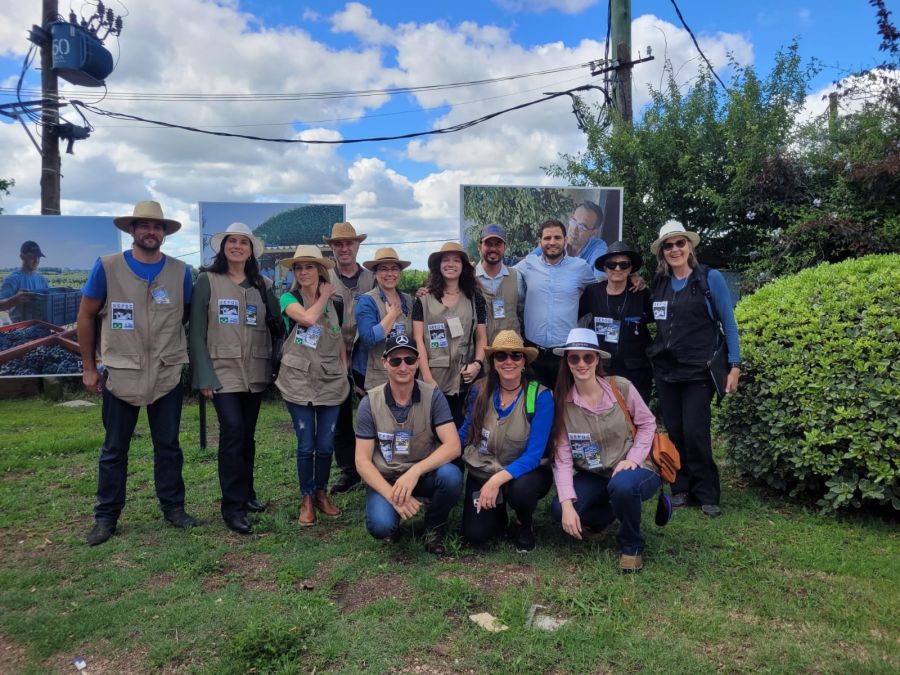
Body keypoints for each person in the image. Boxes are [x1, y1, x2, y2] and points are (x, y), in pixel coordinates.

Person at [76, 201, 198, 546]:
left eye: (157, 227)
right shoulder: (107, 267)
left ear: (165, 233)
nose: (151, 232)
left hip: (165, 372)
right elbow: (85, 317)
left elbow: (184, 315)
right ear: (132, 230)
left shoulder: (179, 272)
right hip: (121, 370)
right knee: (114, 449)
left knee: (169, 446)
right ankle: (106, 517)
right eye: (144, 226)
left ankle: (174, 508)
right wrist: (88, 367)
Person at [190, 222, 281, 535]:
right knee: (232, 433)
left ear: (251, 249)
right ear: (223, 246)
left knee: (247, 437)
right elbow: (197, 333)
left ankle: (248, 494)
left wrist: (274, 364)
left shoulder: (262, 285)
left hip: (254, 372)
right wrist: (203, 375)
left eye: (244, 242)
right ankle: (232, 507)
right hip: (222, 371)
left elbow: (275, 325)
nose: (238, 246)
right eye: (232, 241)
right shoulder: (208, 281)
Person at [647, 221, 741, 518]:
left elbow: (728, 322)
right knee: (675, 430)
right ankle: (682, 488)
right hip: (666, 371)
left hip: (699, 370)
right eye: (668, 245)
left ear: (689, 246)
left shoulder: (709, 279)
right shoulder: (659, 282)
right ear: (662, 252)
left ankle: (707, 492)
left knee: (695, 431)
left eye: (679, 243)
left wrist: (735, 366)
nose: (675, 249)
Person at [550, 328, 661, 573]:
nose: (581, 364)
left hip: (637, 468)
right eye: (574, 358)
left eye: (587, 357)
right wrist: (567, 503)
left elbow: (647, 423)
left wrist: (633, 459)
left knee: (622, 486)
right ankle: (608, 515)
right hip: (596, 473)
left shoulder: (620, 388)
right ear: (567, 362)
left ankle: (632, 546)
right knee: (559, 509)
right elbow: (563, 457)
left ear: (597, 359)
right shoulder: (564, 403)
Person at [354, 334, 463, 554]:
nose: (403, 366)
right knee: (380, 526)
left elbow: (453, 446)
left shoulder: (433, 396)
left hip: (422, 475)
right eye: (396, 360)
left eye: (409, 360)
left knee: (452, 476)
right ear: (385, 362)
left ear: (418, 361)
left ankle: (434, 527)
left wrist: (415, 471)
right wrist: (391, 495)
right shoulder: (369, 402)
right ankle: (392, 518)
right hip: (387, 477)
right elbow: (362, 461)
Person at [457, 331, 554, 552]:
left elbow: (534, 455)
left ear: (524, 362)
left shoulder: (540, 396)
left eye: (515, 356)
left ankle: (524, 523)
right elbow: (465, 432)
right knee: (476, 535)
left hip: (523, 472)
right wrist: (435, 456)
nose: (508, 361)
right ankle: (498, 514)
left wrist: (496, 481)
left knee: (521, 490)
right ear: (493, 362)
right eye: (501, 356)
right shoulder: (480, 390)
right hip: (484, 467)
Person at [275, 245, 348, 527]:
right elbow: (307, 319)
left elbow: (338, 336)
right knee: (306, 444)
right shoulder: (288, 298)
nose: (303, 272)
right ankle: (306, 498)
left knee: (326, 442)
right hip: (298, 380)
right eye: (298, 267)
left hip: (330, 380)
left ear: (320, 270)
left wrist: (343, 370)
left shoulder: (337, 303)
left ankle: (321, 493)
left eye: (309, 266)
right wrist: (324, 296)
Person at [324, 222, 375, 495]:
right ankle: (348, 469)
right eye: (338, 244)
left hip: (367, 356)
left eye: (349, 244)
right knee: (339, 416)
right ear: (332, 248)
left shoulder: (373, 278)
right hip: (332, 354)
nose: (344, 249)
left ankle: (377, 465)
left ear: (357, 246)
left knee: (375, 412)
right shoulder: (323, 278)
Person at [413, 242, 487, 428]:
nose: (451, 264)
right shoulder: (423, 299)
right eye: (446, 260)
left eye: (456, 260)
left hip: (465, 380)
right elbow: (418, 340)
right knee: (432, 431)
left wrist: (477, 364)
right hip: (434, 378)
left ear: (464, 266)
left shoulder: (475, 298)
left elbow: (481, 337)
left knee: (463, 431)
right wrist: (427, 378)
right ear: (438, 265)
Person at [515, 219, 596, 389]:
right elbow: (502, 275)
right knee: (533, 403)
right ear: (540, 242)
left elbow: (604, 287)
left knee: (564, 404)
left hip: (565, 355)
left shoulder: (580, 267)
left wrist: (631, 278)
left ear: (565, 240)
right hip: (533, 355)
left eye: (557, 237)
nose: (552, 242)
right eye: (547, 238)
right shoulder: (528, 264)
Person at [578, 241, 654, 403]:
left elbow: (659, 320)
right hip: (602, 369)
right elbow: (573, 314)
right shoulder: (593, 292)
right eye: (612, 265)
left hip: (636, 370)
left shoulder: (641, 293)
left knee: (636, 420)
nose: (617, 269)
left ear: (631, 268)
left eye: (624, 264)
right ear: (605, 268)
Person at [354, 247, 413, 391]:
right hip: (375, 375)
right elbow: (368, 338)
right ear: (375, 274)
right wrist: (391, 315)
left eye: (394, 269)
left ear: (400, 273)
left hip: (403, 372)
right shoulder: (366, 301)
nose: (390, 274)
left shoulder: (409, 300)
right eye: (383, 269)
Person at [474, 224, 520, 342]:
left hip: (509, 354)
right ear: (479, 246)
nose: (493, 249)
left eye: (498, 244)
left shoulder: (516, 276)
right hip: (479, 353)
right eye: (488, 244)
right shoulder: (468, 278)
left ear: (505, 247)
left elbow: (522, 311)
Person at [0, 241, 50, 322]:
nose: (36, 260)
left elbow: (49, 298)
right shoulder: (12, 279)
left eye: (38, 257)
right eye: (32, 257)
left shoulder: (42, 279)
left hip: (42, 325)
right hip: (21, 328)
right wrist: (14, 300)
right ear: (22, 256)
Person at [566, 200, 609, 275]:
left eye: (582, 227)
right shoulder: (555, 240)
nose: (574, 230)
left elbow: (601, 279)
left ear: (594, 232)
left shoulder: (598, 248)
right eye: (573, 221)